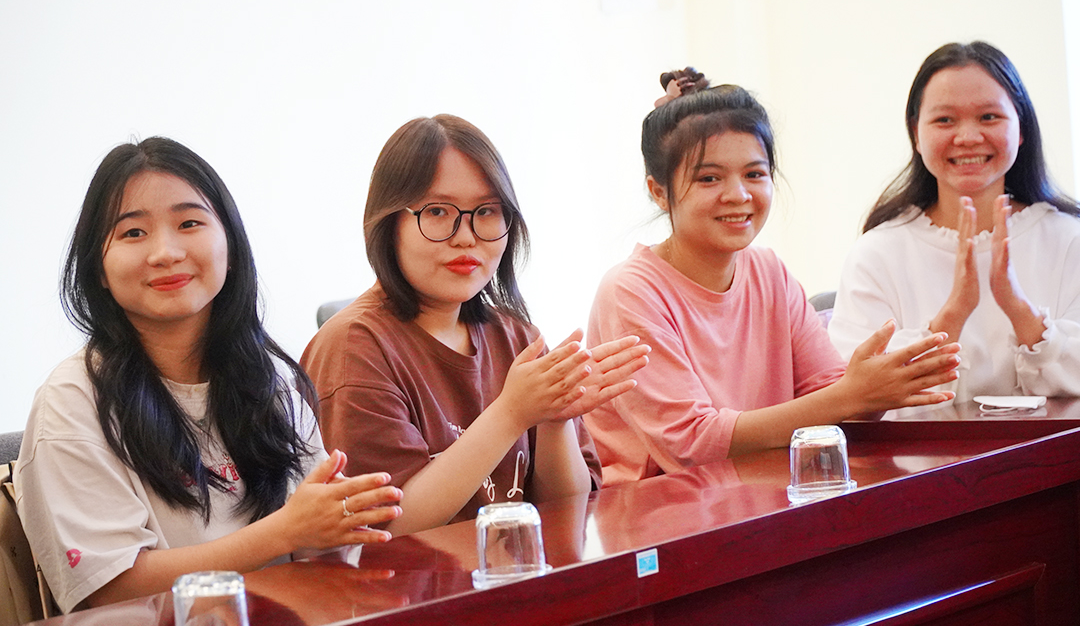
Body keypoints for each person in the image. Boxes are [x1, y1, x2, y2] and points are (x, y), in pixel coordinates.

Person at [16, 138, 402, 613]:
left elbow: (321, 550)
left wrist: (334, 527)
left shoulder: (271, 381)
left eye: (189, 223)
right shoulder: (72, 402)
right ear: (98, 267)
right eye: (133, 233)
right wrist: (283, 532)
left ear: (230, 247)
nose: (165, 252)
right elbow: (110, 592)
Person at [585, 81, 961, 486]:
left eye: (754, 174)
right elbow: (691, 445)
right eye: (709, 178)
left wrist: (878, 388)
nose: (738, 194)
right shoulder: (630, 291)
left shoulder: (769, 272)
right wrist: (850, 395)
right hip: (657, 508)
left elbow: (834, 401)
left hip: (763, 494)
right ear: (659, 192)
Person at [301, 115, 649, 535]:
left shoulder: (516, 336)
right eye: (437, 211)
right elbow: (390, 527)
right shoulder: (352, 347)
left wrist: (554, 419)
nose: (466, 236)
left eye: (486, 211)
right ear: (388, 223)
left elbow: (567, 513)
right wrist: (512, 414)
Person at [829, 41, 1080, 404]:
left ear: (1021, 128)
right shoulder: (876, 253)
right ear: (916, 133)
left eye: (989, 117)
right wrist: (954, 313)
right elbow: (855, 395)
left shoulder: (1069, 239)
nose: (968, 137)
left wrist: (1018, 308)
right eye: (945, 120)